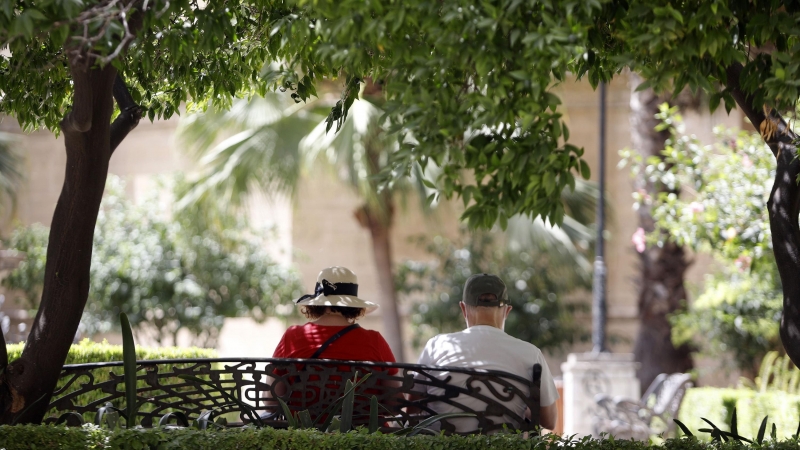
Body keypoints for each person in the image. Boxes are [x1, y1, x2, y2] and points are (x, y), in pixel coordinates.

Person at [413, 273, 559, 433]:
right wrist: (518, 406)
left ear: (463, 308)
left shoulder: (436, 345)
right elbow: (549, 421)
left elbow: (412, 407)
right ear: (507, 311)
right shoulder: (531, 353)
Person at [266, 266, 399, 417]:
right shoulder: (374, 341)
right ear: (354, 305)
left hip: (303, 436)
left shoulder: (293, 336)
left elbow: (271, 402)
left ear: (316, 302)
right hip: (365, 436)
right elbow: (394, 402)